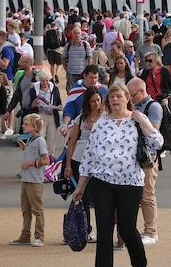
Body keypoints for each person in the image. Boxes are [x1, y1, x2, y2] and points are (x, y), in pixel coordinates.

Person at [74, 84, 164, 267]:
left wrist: (143, 122)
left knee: (127, 229)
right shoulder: (101, 123)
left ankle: (139, 263)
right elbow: (89, 156)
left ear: (127, 99)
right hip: (102, 183)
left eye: (119, 96)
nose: (115, 100)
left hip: (130, 184)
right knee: (104, 229)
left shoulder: (137, 119)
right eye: (112, 97)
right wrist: (80, 186)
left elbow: (157, 143)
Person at [127, 77, 164, 246]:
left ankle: (151, 232)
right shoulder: (135, 106)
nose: (129, 98)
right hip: (134, 156)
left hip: (147, 157)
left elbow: (153, 134)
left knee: (147, 194)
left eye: (132, 95)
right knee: (135, 195)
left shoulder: (153, 107)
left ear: (141, 92)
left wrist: (139, 120)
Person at [64, 86, 102, 243]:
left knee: (100, 198)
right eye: (93, 101)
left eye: (98, 100)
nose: (96, 103)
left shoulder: (106, 117)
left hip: (99, 162)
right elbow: (72, 142)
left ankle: (100, 230)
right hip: (79, 160)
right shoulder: (80, 118)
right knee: (83, 197)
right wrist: (67, 165)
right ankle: (84, 230)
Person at [8, 114, 50, 247]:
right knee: (26, 209)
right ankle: (25, 235)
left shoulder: (40, 141)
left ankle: (40, 236)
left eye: (26, 124)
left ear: (34, 126)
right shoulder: (32, 139)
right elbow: (28, 150)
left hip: (35, 181)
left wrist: (30, 163)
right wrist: (20, 142)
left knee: (37, 209)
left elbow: (46, 160)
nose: (23, 125)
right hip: (26, 179)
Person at [29, 70, 63, 156]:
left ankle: (50, 160)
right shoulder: (35, 89)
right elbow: (31, 105)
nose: (45, 82)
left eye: (47, 80)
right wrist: (34, 103)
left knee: (51, 141)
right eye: (43, 80)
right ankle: (40, 157)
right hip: (40, 116)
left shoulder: (54, 89)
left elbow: (59, 103)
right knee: (40, 138)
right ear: (39, 80)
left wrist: (58, 107)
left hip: (52, 117)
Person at [63, 27, 92, 91]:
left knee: (83, 91)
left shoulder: (86, 45)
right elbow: (63, 59)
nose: (77, 35)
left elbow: (90, 58)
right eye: (75, 33)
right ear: (72, 35)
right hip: (71, 74)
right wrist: (66, 70)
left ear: (81, 34)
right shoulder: (68, 46)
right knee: (71, 92)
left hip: (83, 74)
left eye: (78, 33)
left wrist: (88, 71)